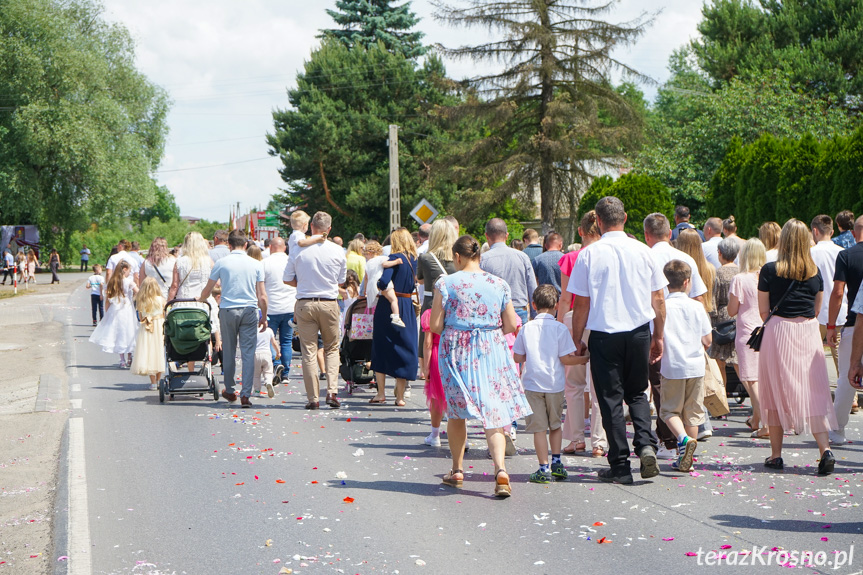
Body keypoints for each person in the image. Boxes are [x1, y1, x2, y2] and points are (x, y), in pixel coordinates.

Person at [569, 196, 666, 485]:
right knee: (637, 392)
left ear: (597, 222)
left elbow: (582, 304)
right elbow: (658, 298)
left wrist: (577, 338)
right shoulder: (643, 251)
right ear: (624, 217)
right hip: (637, 331)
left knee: (610, 399)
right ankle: (646, 445)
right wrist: (658, 335)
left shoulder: (589, 254)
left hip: (604, 333)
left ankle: (621, 464)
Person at [431, 235, 532, 497]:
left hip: (456, 349)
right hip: (491, 349)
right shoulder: (498, 283)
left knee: (457, 412)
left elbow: (435, 326)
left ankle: (457, 470)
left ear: (457, 257)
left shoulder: (445, 283)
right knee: (494, 411)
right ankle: (500, 471)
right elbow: (511, 324)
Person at [759, 219, 838, 475]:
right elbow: (816, 310)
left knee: (774, 391)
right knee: (815, 390)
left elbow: (763, 311)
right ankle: (824, 449)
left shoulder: (769, 270)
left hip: (778, 330)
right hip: (807, 332)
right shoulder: (815, 272)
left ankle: (776, 454)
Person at [643, 213, 708, 458]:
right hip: (689, 338)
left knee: (661, 390)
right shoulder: (685, 258)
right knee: (689, 401)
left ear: (647, 235)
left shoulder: (646, 256)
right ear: (670, 233)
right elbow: (698, 297)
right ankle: (686, 443)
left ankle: (669, 442)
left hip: (654, 330)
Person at [513, 285, 586, 483]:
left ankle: (542, 468)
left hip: (533, 384)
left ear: (534, 305)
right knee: (555, 425)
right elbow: (566, 359)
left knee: (539, 429)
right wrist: (583, 359)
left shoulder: (526, 328)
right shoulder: (560, 329)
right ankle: (557, 463)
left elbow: (518, 357)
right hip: (555, 384)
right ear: (555, 305)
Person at [283, 212, 346, 410]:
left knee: (309, 351)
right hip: (329, 302)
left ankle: (313, 398)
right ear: (329, 229)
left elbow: (287, 278)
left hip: (305, 302)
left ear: (311, 228)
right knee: (332, 347)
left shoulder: (298, 250)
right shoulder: (337, 251)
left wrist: (303, 283)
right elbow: (341, 280)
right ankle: (332, 391)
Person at [199, 229, 268, 408]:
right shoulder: (256, 264)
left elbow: (208, 290)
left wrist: (200, 299)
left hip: (228, 309)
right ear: (245, 245)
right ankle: (246, 394)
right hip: (249, 309)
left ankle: (230, 390)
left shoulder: (222, 263)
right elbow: (262, 296)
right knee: (248, 353)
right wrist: (264, 316)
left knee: (229, 352)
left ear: (229, 245)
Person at [558, 211, 606, 457]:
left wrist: (558, 328)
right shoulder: (606, 254)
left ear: (580, 232)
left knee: (574, 384)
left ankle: (576, 438)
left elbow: (566, 298)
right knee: (599, 384)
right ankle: (599, 441)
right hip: (600, 319)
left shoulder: (571, 258)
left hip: (574, 317)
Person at [658, 260, 712, 472]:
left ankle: (682, 440)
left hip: (672, 365)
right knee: (693, 413)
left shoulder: (663, 307)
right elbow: (707, 340)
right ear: (687, 282)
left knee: (669, 411)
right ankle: (687, 457)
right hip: (695, 366)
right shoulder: (697, 306)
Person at [369, 228, 419, 406]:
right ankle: (400, 397)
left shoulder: (393, 258)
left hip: (388, 304)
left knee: (382, 347)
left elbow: (384, 282)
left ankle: (381, 393)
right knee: (403, 347)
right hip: (407, 304)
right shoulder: (414, 259)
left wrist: (377, 284)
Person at [827, 215, 863, 444]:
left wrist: (831, 325)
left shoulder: (847, 255)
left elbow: (838, 292)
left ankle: (837, 430)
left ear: (854, 231)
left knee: (847, 379)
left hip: (853, 323)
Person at [728, 238, 768, 438]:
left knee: (751, 379)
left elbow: (732, 310)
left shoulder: (740, 279)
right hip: (766, 329)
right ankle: (756, 419)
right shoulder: (767, 276)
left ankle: (766, 422)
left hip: (747, 332)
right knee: (763, 378)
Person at [481, 218, 537, 326]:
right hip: (519, 310)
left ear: (486, 236)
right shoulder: (523, 257)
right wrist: (534, 315)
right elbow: (532, 287)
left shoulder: (482, 260)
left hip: (494, 312)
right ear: (506, 235)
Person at [810, 214, 847, 373]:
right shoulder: (842, 252)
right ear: (831, 232)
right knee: (841, 357)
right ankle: (849, 396)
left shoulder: (811, 253)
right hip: (840, 309)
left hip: (816, 311)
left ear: (815, 231)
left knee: (812, 357)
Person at [89, 260, 138, 368]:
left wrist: (107, 311)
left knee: (119, 333)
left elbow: (108, 298)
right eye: (129, 270)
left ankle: (122, 360)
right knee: (128, 331)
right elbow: (138, 291)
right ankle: (130, 357)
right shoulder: (129, 282)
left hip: (115, 309)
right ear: (125, 270)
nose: (130, 273)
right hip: (127, 309)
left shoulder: (112, 281)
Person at [261, 237, 296, 386]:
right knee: (286, 341)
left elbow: (260, 288)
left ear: (270, 247)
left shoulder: (264, 263)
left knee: (269, 339)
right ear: (284, 247)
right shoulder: (291, 261)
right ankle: (286, 373)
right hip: (289, 307)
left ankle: (276, 362)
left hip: (271, 308)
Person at [707, 237, 740, 383]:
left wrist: (712, 324)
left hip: (722, 322)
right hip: (739, 318)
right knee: (738, 362)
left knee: (719, 363)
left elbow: (713, 301)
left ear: (719, 253)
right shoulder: (741, 272)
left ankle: (723, 400)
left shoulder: (718, 273)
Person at [130, 277, 166, 391]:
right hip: (159, 326)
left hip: (146, 326)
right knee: (159, 352)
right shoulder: (162, 300)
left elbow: (140, 317)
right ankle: (160, 380)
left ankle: (153, 383)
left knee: (149, 353)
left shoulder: (141, 300)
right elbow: (166, 314)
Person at [417, 220, 457, 315]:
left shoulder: (425, 258)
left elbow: (420, 281)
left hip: (432, 306)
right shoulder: (458, 258)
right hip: (454, 306)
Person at [420, 307, 446, 446]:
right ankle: (463, 437)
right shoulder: (457, 310)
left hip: (438, 353)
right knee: (458, 398)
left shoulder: (430, 314)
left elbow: (428, 343)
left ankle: (435, 435)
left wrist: (426, 367)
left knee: (436, 398)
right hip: (455, 354)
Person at [360, 241, 387, 310]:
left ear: (369, 253)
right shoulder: (383, 258)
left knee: (373, 306)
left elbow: (366, 278)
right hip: (381, 285)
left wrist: (365, 290)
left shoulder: (369, 262)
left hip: (371, 286)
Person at [253, 325, 278, 398]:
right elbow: (274, 343)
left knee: (256, 375)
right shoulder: (269, 330)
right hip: (267, 354)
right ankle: (268, 382)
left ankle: (257, 391)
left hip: (256, 354)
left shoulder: (254, 330)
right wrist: (278, 352)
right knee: (268, 372)